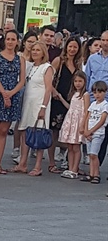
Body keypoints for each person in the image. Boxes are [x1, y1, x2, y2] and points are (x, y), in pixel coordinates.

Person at [0, 30, 25, 174]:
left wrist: (11, 93)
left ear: (17, 42)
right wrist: (3, 93)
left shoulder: (20, 59)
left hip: (12, 94)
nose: (10, 42)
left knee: (3, 131)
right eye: (8, 39)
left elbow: (22, 80)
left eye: (13, 39)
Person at [13, 41, 53, 176]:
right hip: (28, 103)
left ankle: (37, 166)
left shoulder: (47, 67)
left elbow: (48, 90)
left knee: (38, 133)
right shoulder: (30, 66)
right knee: (25, 132)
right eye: (33, 49)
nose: (35, 52)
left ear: (43, 53)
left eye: (38, 50)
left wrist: (43, 107)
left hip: (39, 104)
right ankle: (22, 163)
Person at [49, 38, 82, 171]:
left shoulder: (78, 63)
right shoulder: (59, 61)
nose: (72, 49)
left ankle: (67, 161)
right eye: (70, 46)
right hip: (57, 100)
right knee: (54, 132)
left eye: (75, 47)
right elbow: (48, 79)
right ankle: (51, 163)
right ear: (66, 47)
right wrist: (54, 92)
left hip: (72, 101)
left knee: (69, 132)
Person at [83, 31, 108, 165]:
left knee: (104, 135)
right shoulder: (93, 58)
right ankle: (91, 166)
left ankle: (97, 166)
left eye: (107, 40)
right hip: (93, 101)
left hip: (106, 102)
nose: (105, 43)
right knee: (90, 132)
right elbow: (87, 77)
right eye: (103, 40)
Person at [58, 70, 89, 179]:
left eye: (80, 81)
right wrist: (61, 98)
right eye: (76, 81)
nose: (78, 83)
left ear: (85, 82)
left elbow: (86, 111)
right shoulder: (73, 94)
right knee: (70, 147)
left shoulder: (85, 95)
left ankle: (75, 169)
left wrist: (82, 125)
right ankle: (70, 168)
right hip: (70, 120)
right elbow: (70, 107)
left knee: (76, 147)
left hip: (78, 121)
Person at [81, 80, 108, 184]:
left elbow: (102, 120)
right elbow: (88, 117)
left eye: (100, 92)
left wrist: (91, 131)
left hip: (98, 133)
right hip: (89, 134)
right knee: (90, 155)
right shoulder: (93, 104)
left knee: (94, 154)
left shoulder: (105, 105)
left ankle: (96, 174)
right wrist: (86, 130)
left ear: (105, 92)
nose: (97, 95)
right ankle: (91, 174)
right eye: (95, 92)